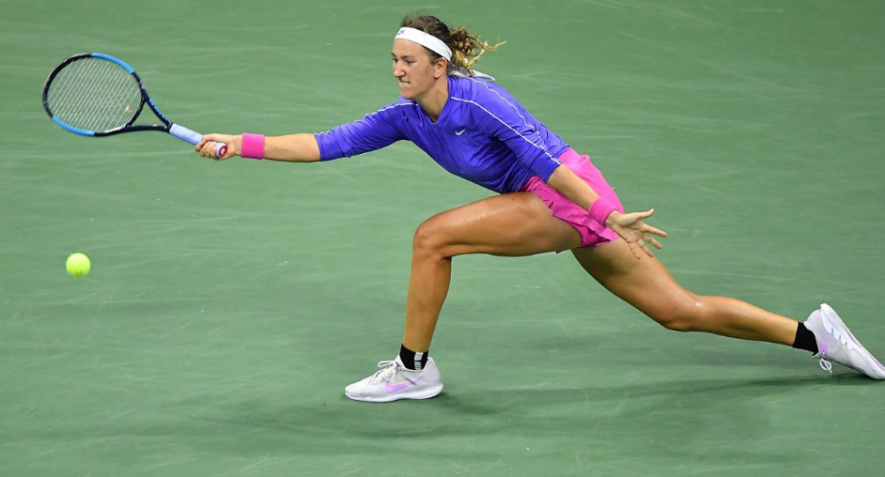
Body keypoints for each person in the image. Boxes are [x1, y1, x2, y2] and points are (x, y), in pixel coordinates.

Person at [196, 14, 885, 402]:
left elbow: (550, 162)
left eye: (408, 61)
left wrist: (605, 215)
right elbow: (326, 143)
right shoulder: (406, 115)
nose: (397, 70)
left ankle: (413, 368)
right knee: (680, 312)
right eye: (393, 60)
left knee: (432, 237)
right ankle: (817, 334)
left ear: (440, 65)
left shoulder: (480, 99)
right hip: (563, 206)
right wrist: (241, 142)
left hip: (571, 197)